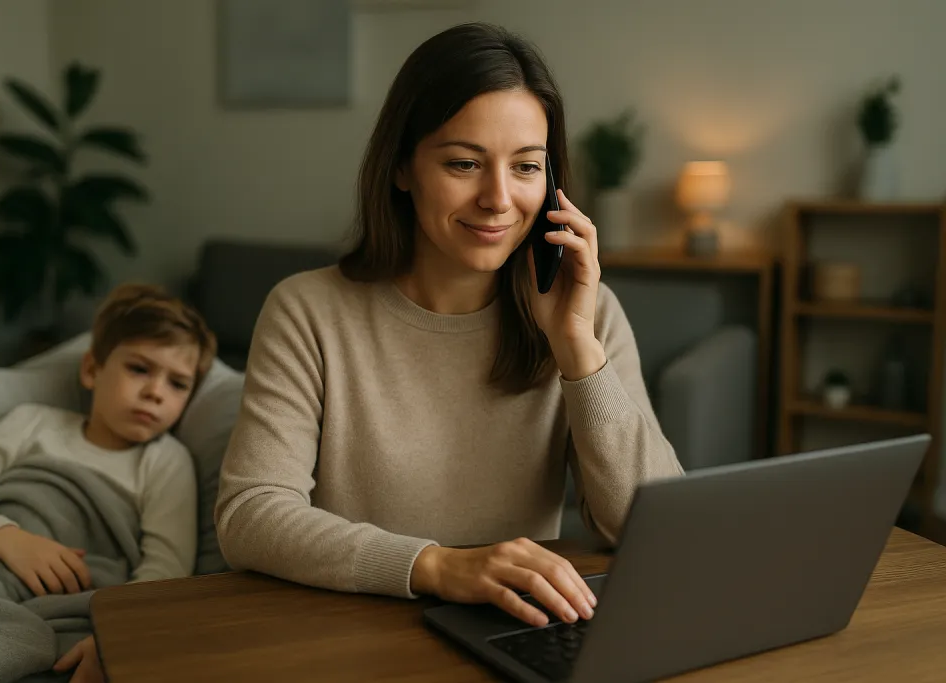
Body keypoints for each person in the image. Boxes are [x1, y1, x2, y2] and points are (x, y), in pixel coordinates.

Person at [215, 22, 683, 629]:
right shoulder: (307, 312)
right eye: (464, 163)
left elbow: (651, 527)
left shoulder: (587, 317)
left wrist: (577, 353)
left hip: (517, 633)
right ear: (402, 168)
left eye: (526, 167)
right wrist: (436, 567)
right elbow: (250, 516)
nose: (498, 198)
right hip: (350, 632)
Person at [0, 283, 216, 683]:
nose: (154, 393)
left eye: (177, 384)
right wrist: (10, 540)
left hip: (65, 603)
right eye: (140, 369)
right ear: (92, 370)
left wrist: (117, 636)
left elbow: (165, 571)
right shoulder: (32, 422)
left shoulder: (166, 461)